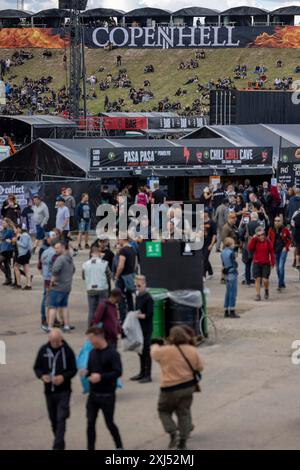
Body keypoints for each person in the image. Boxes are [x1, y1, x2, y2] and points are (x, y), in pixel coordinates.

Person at [151, 326, 204, 450]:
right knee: (184, 413)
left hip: (169, 387)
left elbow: (153, 354)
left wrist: (155, 345)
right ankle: (183, 441)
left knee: (163, 411)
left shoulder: (165, 351)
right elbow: (200, 367)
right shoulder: (191, 350)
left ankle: (173, 432)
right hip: (188, 386)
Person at [33, 329, 77, 451]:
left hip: (64, 390)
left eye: (58, 341)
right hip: (49, 392)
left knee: (61, 417)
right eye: (53, 341)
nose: (56, 343)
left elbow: (73, 369)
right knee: (53, 420)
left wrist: (63, 377)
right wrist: (42, 376)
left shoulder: (67, 351)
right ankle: (60, 443)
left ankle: (57, 446)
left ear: (61, 339)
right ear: (49, 340)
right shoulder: (43, 350)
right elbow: (37, 367)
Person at [82, 327, 123, 450]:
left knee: (109, 423)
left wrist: (101, 377)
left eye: (91, 339)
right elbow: (91, 371)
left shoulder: (113, 353)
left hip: (107, 395)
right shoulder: (92, 353)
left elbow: (118, 372)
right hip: (93, 395)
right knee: (90, 424)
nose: (90, 342)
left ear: (99, 337)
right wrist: (87, 373)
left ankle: (119, 446)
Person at [130, 275, 154, 384]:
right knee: (140, 350)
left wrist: (136, 315)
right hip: (139, 327)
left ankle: (148, 375)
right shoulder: (138, 296)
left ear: (144, 284)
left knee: (146, 351)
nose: (137, 287)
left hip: (146, 328)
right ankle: (142, 372)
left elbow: (149, 315)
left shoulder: (148, 298)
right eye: (135, 286)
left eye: (139, 285)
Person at [48, 242, 75, 332]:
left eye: (57, 248)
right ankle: (66, 326)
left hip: (58, 287)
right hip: (67, 286)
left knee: (52, 307)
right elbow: (73, 270)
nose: (56, 250)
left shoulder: (60, 259)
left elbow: (55, 271)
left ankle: (50, 327)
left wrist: (52, 282)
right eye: (55, 248)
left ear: (63, 248)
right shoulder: (70, 258)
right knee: (64, 306)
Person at [82, 246, 111, 326]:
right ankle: (103, 326)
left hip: (90, 288)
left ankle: (91, 327)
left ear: (91, 254)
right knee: (103, 308)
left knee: (92, 309)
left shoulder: (85, 264)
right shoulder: (104, 263)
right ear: (99, 253)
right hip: (102, 288)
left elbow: (83, 277)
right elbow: (109, 275)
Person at [248, 227, 275, 301]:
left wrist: (273, 262)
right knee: (257, 279)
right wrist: (253, 239)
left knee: (265, 280)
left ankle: (266, 290)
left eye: (262, 234)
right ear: (256, 235)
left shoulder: (267, 241)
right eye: (259, 235)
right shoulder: (255, 241)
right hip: (257, 262)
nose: (261, 236)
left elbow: (272, 252)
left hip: (266, 263)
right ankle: (258, 295)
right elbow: (250, 248)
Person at [115, 237, 136, 323]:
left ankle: (123, 319)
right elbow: (135, 264)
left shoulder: (123, 250)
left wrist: (117, 275)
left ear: (123, 239)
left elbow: (121, 265)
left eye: (119, 239)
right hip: (130, 276)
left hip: (123, 277)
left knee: (121, 298)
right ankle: (132, 317)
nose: (118, 241)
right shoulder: (132, 249)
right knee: (129, 297)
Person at [268, 217, 291, 292]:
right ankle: (282, 282)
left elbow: (289, 239)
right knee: (278, 268)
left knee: (281, 267)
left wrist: (286, 247)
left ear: (281, 222)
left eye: (278, 221)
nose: (277, 222)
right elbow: (269, 240)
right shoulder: (271, 230)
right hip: (275, 251)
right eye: (275, 221)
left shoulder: (285, 229)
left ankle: (279, 284)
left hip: (283, 250)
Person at [221, 238, 240, 318]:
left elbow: (223, 263)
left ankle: (226, 310)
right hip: (232, 272)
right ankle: (232, 310)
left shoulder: (222, 252)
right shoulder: (231, 253)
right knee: (233, 292)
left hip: (226, 272)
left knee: (228, 292)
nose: (234, 245)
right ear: (230, 244)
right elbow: (234, 264)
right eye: (233, 243)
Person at [13, 224, 32, 290]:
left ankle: (18, 284)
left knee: (16, 267)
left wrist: (17, 241)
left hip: (24, 254)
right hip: (25, 254)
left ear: (19, 229)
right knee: (26, 269)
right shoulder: (23, 235)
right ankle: (28, 285)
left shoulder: (25, 235)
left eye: (15, 228)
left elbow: (24, 245)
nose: (14, 230)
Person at [0, 218, 14, 286]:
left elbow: (2, 237)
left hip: (8, 249)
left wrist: (2, 233)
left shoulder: (9, 230)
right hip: (3, 249)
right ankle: (8, 279)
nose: (3, 224)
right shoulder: (4, 230)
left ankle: (9, 278)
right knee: (6, 264)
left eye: (4, 223)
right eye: (2, 223)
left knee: (6, 264)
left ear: (8, 224)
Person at [203, 210, 217, 279]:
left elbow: (214, 234)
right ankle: (210, 272)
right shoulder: (200, 221)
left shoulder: (212, 222)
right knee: (204, 258)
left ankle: (203, 275)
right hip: (201, 243)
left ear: (207, 214)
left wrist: (211, 244)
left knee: (204, 259)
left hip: (208, 243)